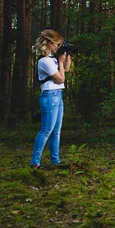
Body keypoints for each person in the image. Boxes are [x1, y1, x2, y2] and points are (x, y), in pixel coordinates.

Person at [30, 29, 72, 169]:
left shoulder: (53, 60)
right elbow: (60, 79)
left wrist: (67, 56)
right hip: (50, 96)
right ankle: (35, 162)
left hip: (57, 96)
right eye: (57, 44)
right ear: (49, 44)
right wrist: (60, 62)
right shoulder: (44, 61)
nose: (58, 47)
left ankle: (56, 161)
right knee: (46, 130)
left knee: (56, 131)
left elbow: (66, 69)